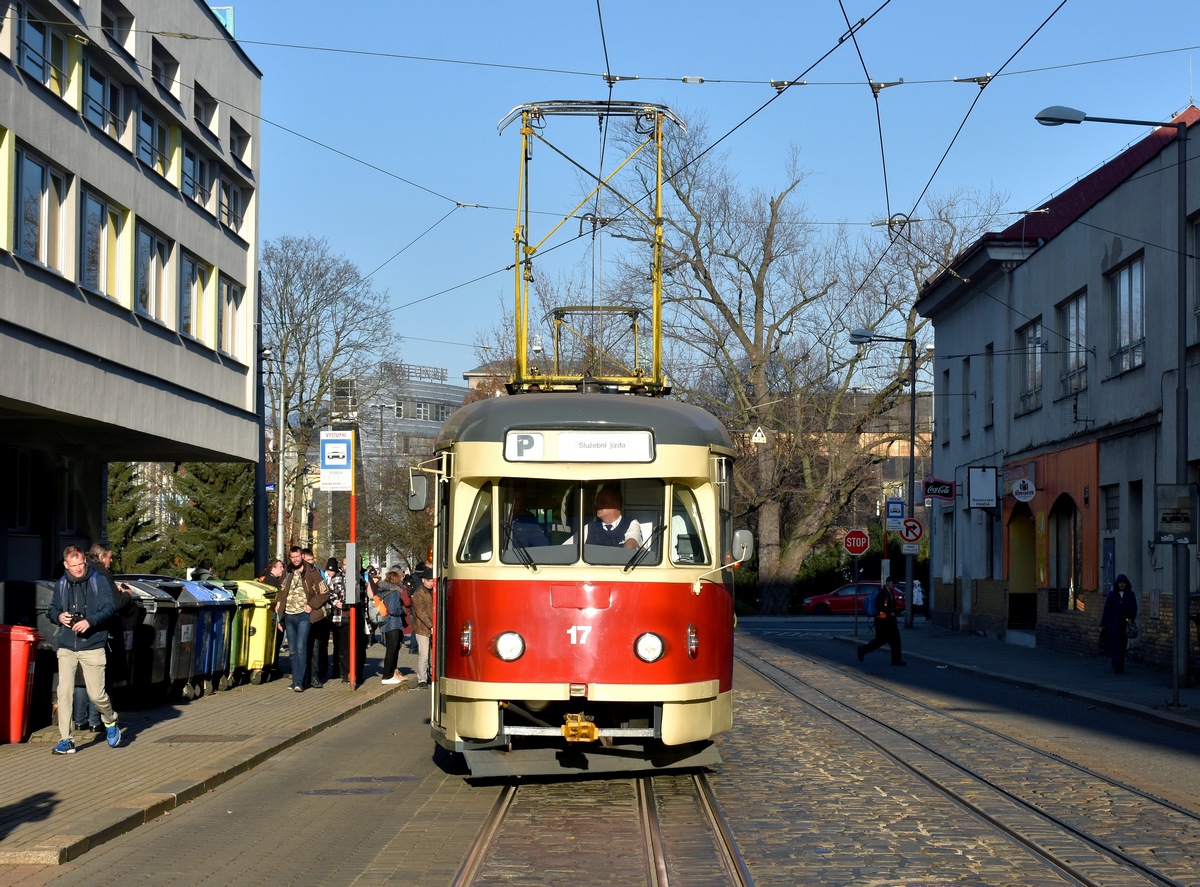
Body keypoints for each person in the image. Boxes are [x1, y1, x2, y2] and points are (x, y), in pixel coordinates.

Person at [47, 545, 121, 753]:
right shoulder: (61, 584)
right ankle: (66, 739)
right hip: (67, 646)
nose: (78, 569)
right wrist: (58, 617)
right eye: (74, 565)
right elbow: (52, 610)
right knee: (64, 692)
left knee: (97, 695)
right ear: (66, 565)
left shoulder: (99, 580)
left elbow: (109, 608)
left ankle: (111, 720)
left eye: (81, 564)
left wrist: (89, 622)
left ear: (85, 562)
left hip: (93, 645)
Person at [274, 545, 329, 692]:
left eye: (297, 556)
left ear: (301, 556)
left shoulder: (311, 571)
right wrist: (280, 613)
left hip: (304, 615)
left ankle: (300, 681)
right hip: (289, 615)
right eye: (292, 557)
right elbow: (281, 592)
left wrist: (311, 605)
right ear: (290, 558)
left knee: (301, 647)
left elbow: (324, 592)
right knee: (292, 650)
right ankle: (296, 680)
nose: (295, 559)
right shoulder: (287, 572)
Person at [856, 576, 906, 666]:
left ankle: (896, 660)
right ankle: (862, 650)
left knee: (895, 641)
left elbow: (888, 605)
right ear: (888, 582)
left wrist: (893, 611)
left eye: (895, 583)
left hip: (888, 621)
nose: (894, 585)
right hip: (883, 622)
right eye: (893, 583)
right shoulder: (883, 592)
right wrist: (890, 611)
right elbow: (879, 605)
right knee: (881, 641)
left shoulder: (889, 591)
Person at [377, 568, 412, 685]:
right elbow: (393, 610)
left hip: (387, 624)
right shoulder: (393, 593)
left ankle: (391, 674)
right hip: (393, 624)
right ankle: (387, 676)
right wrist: (401, 611)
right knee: (392, 651)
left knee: (392, 650)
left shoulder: (383, 591)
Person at [1101, 573, 1138, 675]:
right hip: (1114, 624)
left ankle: (1120, 665)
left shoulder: (1130, 595)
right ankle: (1116, 666)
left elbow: (1134, 608)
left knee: (1122, 646)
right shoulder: (1112, 595)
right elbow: (1107, 609)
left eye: (1124, 583)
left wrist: (1130, 619)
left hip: (1124, 625)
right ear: (1117, 584)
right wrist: (1104, 623)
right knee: (1115, 646)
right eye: (1120, 583)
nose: (1122, 585)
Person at [411, 563, 434, 689]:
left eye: (432, 580)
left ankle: (431, 675)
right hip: (422, 629)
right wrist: (431, 625)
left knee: (433, 655)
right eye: (429, 581)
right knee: (424, 655)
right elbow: (421, 612)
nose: (431, 583)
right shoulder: (418, 593)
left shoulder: (435, 591)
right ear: (423, 580)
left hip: (433, 627)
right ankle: (422, 679)